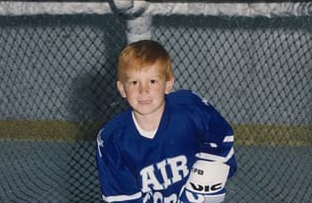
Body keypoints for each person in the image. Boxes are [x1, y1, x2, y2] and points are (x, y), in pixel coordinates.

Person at [96, 40, 237, 203]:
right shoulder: (113, 139)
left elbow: (220, 142)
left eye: (153, 81)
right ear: (122, 89)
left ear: (168, 84)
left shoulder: (190, 110)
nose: (143, 91)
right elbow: (122, 198)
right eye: (134, 82)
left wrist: (201, 187)